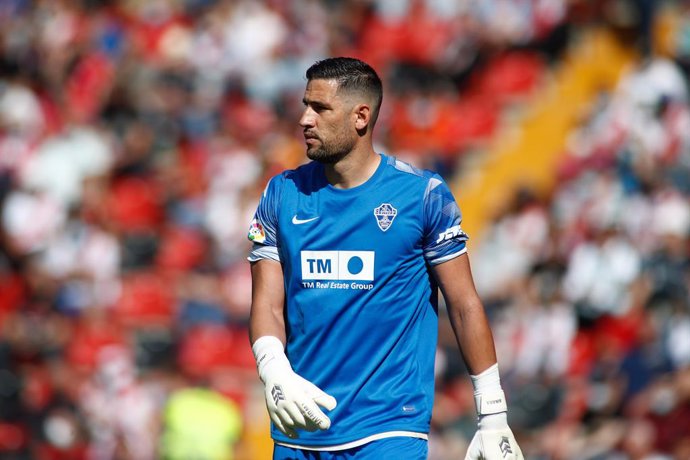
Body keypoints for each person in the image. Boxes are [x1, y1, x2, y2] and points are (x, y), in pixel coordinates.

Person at [247, 57, 522, 459]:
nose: (305, 119)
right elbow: (267, 303)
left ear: (361, 117)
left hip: (387, 429)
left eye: (320, 108)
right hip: (298, 428)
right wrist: (272, 368)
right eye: (305, 105)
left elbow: (463, 304)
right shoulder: (280, 193)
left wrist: (492, 412)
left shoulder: (422, 195)